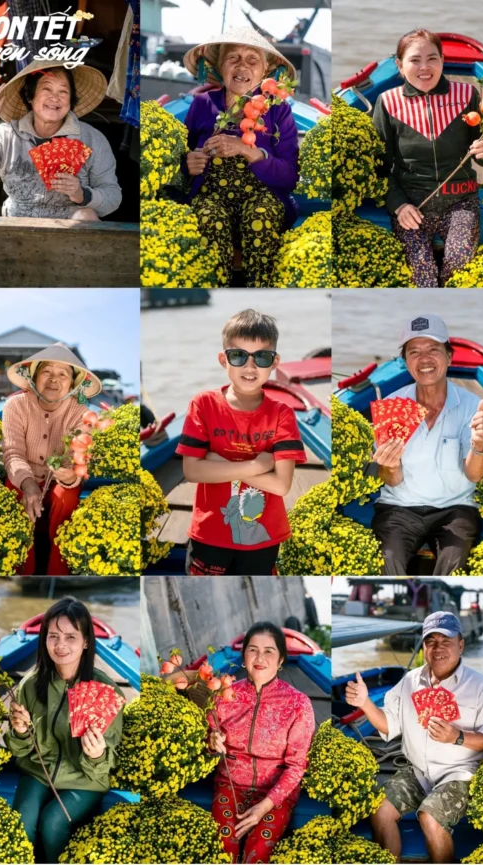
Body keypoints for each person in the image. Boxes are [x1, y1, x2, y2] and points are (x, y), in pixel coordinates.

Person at [346, 611, 483, 864]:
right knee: (379, 810)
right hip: (417, 772)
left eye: (446, 641)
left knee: (430, 817)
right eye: (431, 641)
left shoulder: (482, 686)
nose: (438, 648)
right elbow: (388, 725)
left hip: (460, 773)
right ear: (423, 646)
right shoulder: (409, 681)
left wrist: (457, 737)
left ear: (461, 644)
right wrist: (365, 703)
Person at [176, 309, 307, 576]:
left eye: (262, 357)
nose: (250, 367)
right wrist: (257, 465)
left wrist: (216, 461)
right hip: (209, 533)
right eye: (238, 356)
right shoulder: (203, 404)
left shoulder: (282, 413)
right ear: (223, 359)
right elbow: (192, 471)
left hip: (264, 537)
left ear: (275, 361)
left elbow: (281, 485)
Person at [371, 314, 483, 575]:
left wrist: (479, 444)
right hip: (399, 508)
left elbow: (474, 474)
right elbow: (390, 481)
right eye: (414, 351)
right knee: (388, 559)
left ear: (449, 356)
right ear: (405, 362)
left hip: (456, 509)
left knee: (453, 560)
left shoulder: (472, 406)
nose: (424, 359)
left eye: (433, 350)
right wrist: (390, 466)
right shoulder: (391, 408)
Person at [372, 29, 483, 287]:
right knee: (422, 276)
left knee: (459, 262)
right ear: (400, 66)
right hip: (411, 207)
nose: (424, 67)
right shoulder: (387, 103)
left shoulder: (468, 96)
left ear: (442, 60)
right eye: (415, 60)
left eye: (432, 59)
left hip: (461, 202)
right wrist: (398, 205)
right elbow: (379, 166)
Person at [5, 597, 125, 863]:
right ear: (44, 639)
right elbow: (19, 750)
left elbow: (108, 761)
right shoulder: (30, 684)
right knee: (21, 824)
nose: (60, 645)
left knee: (52, 823)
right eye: (53, 636)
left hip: (85, 780)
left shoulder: (106, 691)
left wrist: (96, 755)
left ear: (86, 642)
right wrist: (20, 732)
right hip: (37, 772)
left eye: (71, 636)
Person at [182, 27, 300, 287]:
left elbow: (290, 176)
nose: (242, 66)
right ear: (220, 66)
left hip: (263, 195)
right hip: (211, 195)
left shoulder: (278, 111)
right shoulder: (202, 104)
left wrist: (249, 151)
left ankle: (260, 290)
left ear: (265, 71)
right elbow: (182, 154)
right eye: (233, 58)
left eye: (252, 60)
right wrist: (189, 163)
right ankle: (218, 289)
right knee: (209, 218)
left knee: (261, 216)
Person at [0, 60, 121, 220]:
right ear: (30, 97)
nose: (55, 97)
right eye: (47, 89)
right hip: (19, 223)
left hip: (70, 230)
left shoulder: (91, 139)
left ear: (70, 101)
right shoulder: (7, 135)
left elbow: (113, 196)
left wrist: (82, 194)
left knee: (86, 215)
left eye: (63, 91)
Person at [208, 621, 315, 863]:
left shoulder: (298, 704)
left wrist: (266, 806)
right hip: (230, 785)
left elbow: (297, 766)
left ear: (280, 661)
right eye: (253, 649)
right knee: (223, 852)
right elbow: (208, 741)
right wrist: (212, 741)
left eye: (269, 651)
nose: (260, 657)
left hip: (276, 792)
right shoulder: (224, 696)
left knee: (258, 853)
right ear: (244, 657)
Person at [2, 343, 102, 576]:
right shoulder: (15, 406)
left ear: (73, 383)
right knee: (13, 494)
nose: (53, 380)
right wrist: (28, 485)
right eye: (46, 372)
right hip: (23, 479)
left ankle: (57, 572)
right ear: (34, 377)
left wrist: (69, 477)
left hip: (59, 483)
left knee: (66, 497)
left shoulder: (82, 414)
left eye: (62, 374)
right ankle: (22, 575)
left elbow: (78, 461)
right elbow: (12, 452)